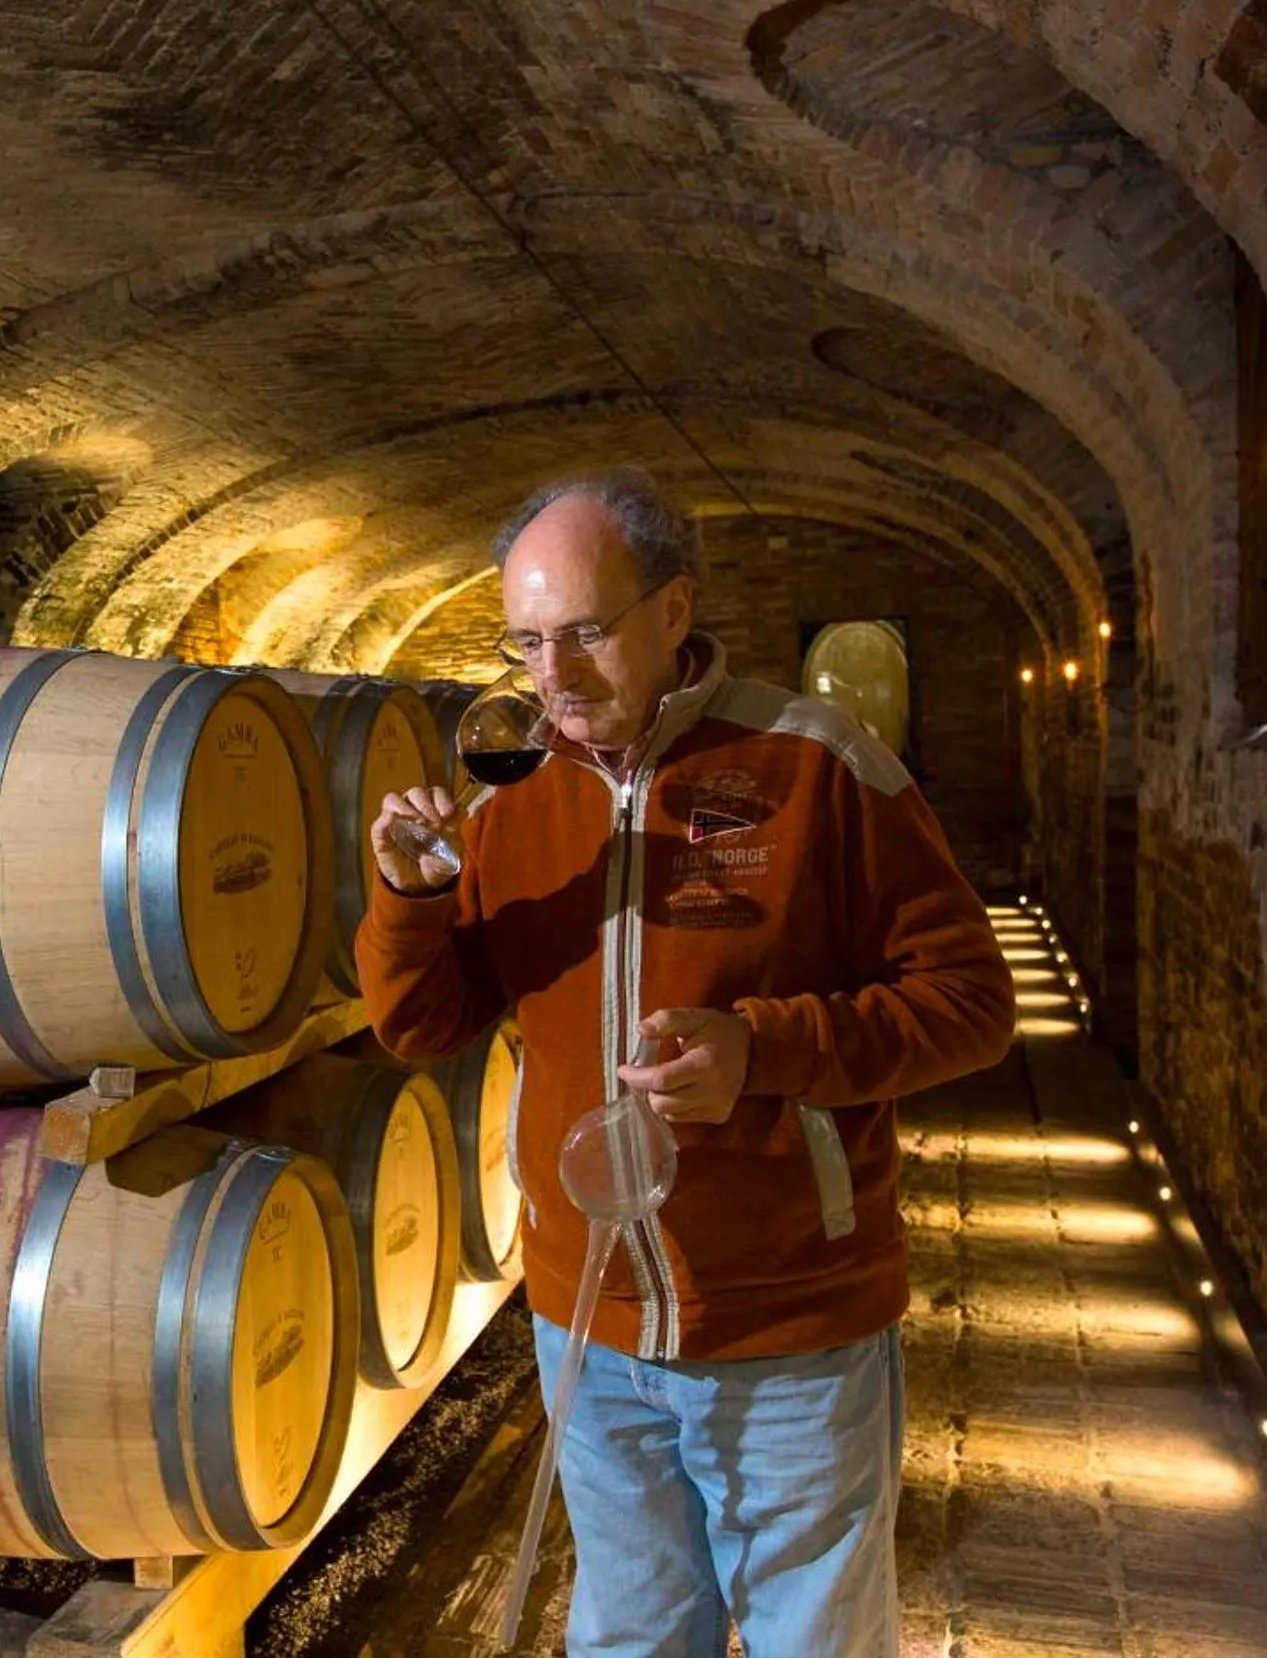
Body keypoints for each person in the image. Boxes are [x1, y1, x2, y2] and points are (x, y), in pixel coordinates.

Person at [357, 469, 1015, 1657]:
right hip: (589, 1326)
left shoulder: (815, 762)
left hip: (790, 1327)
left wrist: (765, 1049)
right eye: (527, 643)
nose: (555, 678)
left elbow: (972, 1003)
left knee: (814, 1639)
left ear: (674, 610)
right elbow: (422, 1025)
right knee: (635, 1637)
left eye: (586, 632)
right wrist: (410, 896)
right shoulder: (511, 797)